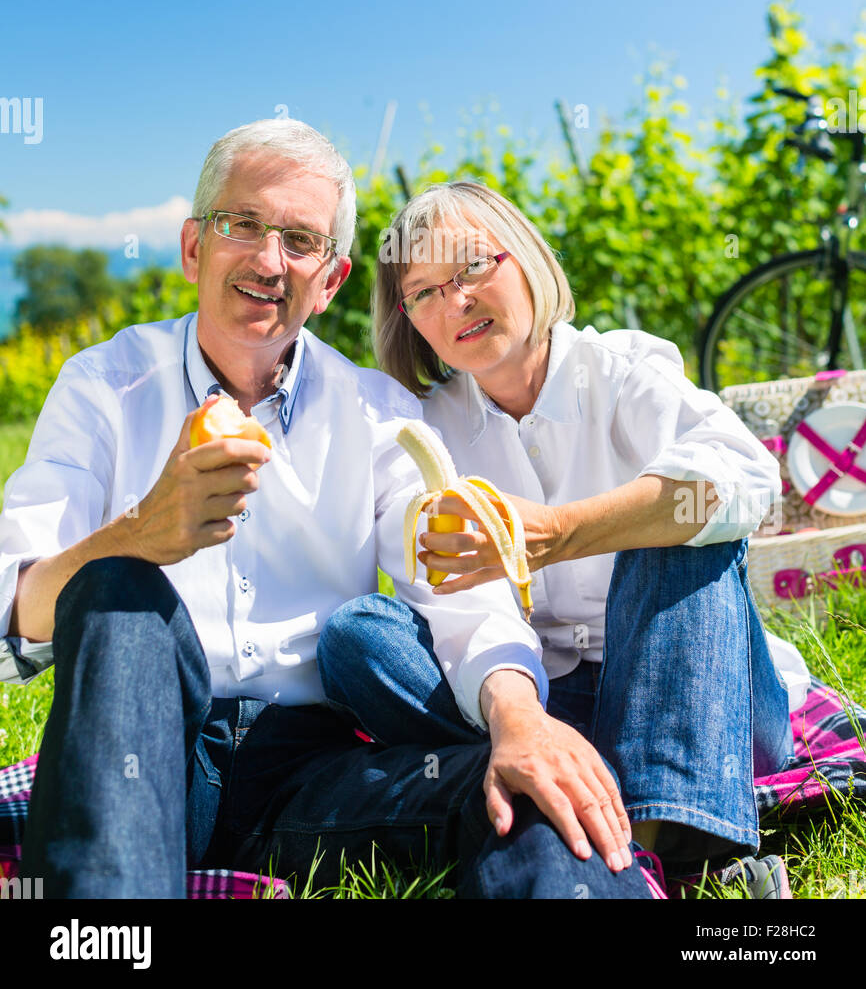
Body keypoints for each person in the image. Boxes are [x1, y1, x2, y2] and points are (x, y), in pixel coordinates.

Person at [0, 123, 649, 899]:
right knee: (119, 590)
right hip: (146, 752)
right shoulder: (104, 384)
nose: (269, 261)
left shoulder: (377, 413)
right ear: (193, 247)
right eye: (242, 224)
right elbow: (18, 607)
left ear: (332, 279)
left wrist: (518, 716)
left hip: (314, 775)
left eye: (300, 240)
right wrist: (141, 535)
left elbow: (457, 586)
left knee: (533, 786)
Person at [320, 179, 806, 886]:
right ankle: (572, 775)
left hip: (696, 690)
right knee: (359, 634)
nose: (455, 302)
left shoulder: (620, 369)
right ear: (409, 319)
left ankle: (680, 843)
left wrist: (557, 532)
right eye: (424, 291)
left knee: (675, 530)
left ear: (526, 259)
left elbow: (748, 480)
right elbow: (445, 594)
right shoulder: (427, 431)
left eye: (472, 268)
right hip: (544, 702)